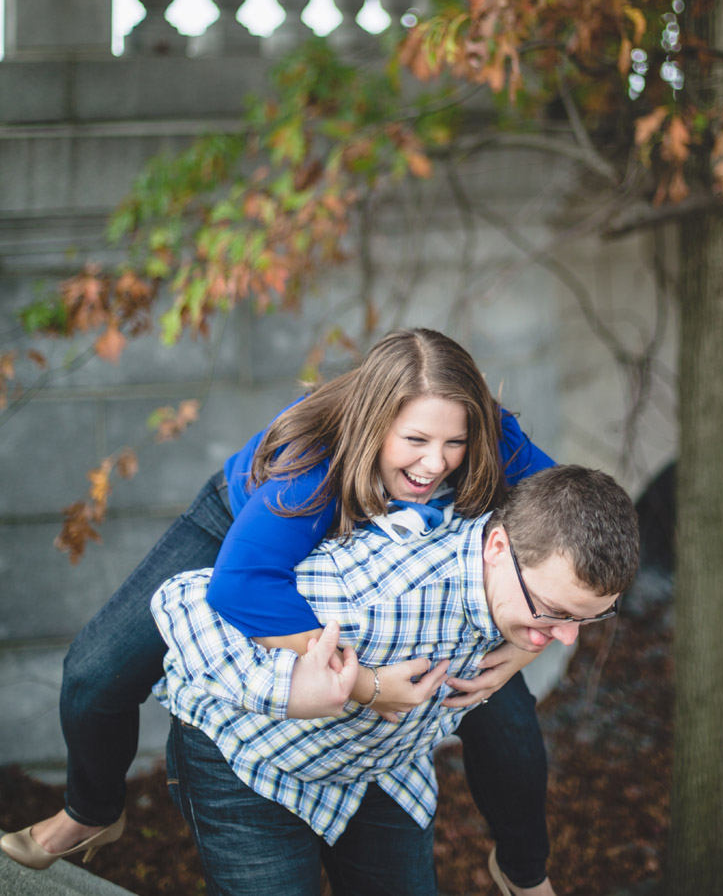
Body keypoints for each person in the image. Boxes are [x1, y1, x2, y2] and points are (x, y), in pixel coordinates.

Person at [1, 328, 559, 894]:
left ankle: (523, 873)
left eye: (454, 443)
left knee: (504, 714)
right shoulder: (314, 458)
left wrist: (522, 645)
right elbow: (240, 585)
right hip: (247, 530)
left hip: (384, 563)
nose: (436, 463)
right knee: (96, 674)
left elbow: (576, 531)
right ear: (373, 422)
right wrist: (363, 683)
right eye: (415, 439)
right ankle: (91, 810)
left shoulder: (487, 435)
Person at [152, 466, 640, 896]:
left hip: (380, 768)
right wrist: (291, 690)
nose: (567, 638)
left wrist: (531, 631)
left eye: (590, 617)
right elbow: (183, 598)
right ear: (496, 547)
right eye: (553, 612)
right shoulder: (379, 595)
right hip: (253, 765)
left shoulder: (520, 598)